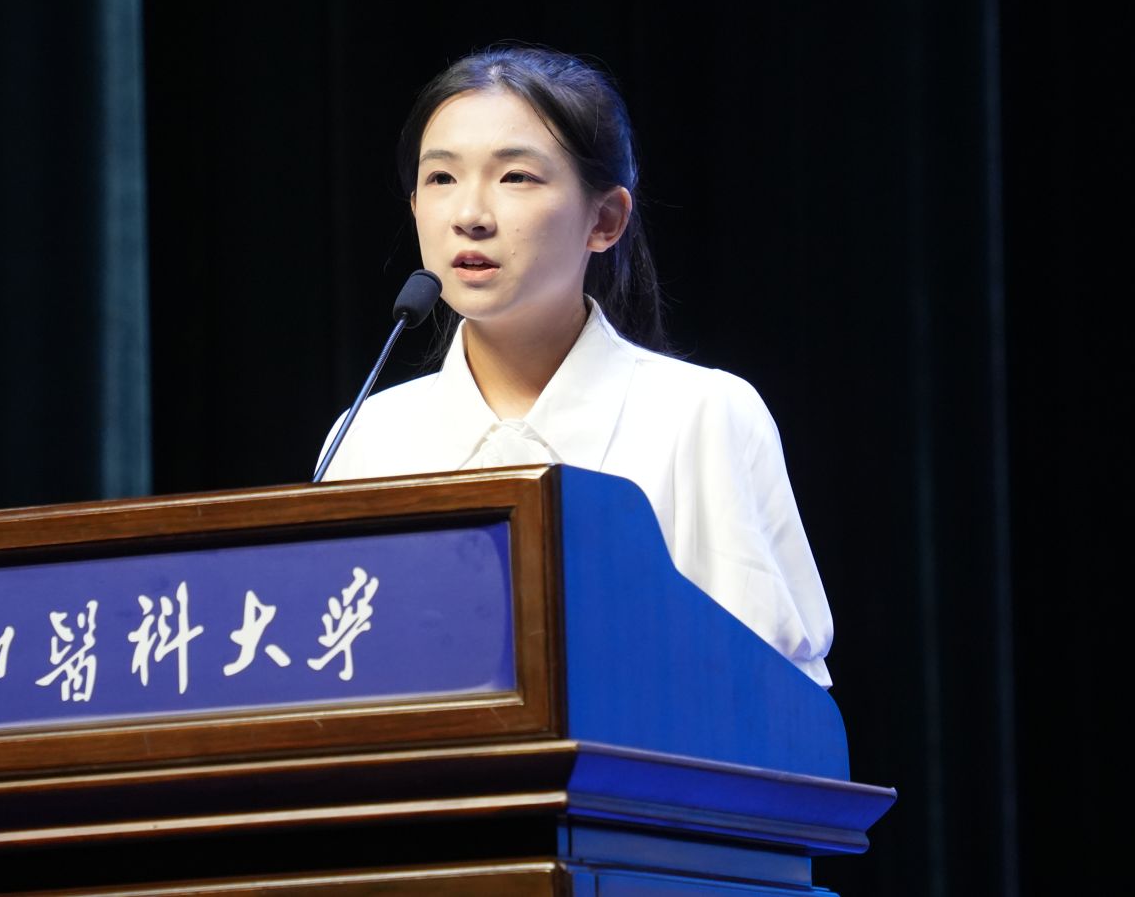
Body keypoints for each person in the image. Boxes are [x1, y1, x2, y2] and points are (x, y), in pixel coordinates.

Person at [317, 45, 834, 687]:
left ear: (605, 219)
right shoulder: (368, 437)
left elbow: (777, 694)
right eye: (441, 178)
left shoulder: (701, 415)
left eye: (515, 177)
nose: (469, 216)